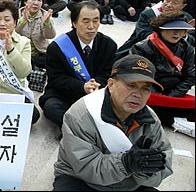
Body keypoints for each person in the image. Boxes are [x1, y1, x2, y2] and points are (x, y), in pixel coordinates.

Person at [53, 54, 173, 191]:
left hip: (129, 184)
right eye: (131, 85)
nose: (138, 94)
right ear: (111, 84)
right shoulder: (81, 114)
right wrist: (126, 163)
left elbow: (164, 163)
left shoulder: (150, 119)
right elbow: (85, 166)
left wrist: (146, 169)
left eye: (145, 88)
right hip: (82, 180)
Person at [39, 0, 117, 129]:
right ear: (74, 23)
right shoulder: (58, 47)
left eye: (95, 21)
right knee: (52, 107)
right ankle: (84, 129)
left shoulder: (109, 45)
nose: (91, 26)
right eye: (85, 21)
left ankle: (77, 128)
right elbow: (56, 78)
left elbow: (108, 74)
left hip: (96, 94)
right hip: (65, 94)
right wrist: (82, 86)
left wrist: (94, 86)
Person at [130, 11, 195, 132]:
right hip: (149, 92)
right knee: (138, 105)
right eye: (172, 29)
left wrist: (172, 96)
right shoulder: (143, 47)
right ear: (160, 29)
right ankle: (171, 119)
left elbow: (190, 76)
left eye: (180, 30)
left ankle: (167, 116)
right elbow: (140, 77)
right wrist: (160, 97)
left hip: (174, 93)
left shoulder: (187, 49)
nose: (176, 33)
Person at [116, 0, 194, 60]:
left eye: (175, 3)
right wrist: (174, 35)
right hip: (144, 50)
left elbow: (192, 40)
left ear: (183, 6)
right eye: (167, 0)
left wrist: (184, 35)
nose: (169, 5)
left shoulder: (186, 19)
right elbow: (143, 35)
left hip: (175, 55)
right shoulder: (149, 14)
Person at [15, 0, 55, 69]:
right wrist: (22, 21)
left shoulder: (45, 15)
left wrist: (47, 23)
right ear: (26, 1)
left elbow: (50, 36)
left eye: (39, 0)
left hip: (39, 53)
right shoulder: (16, 14)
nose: (36, 3)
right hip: (20, 52)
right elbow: (13, 34)